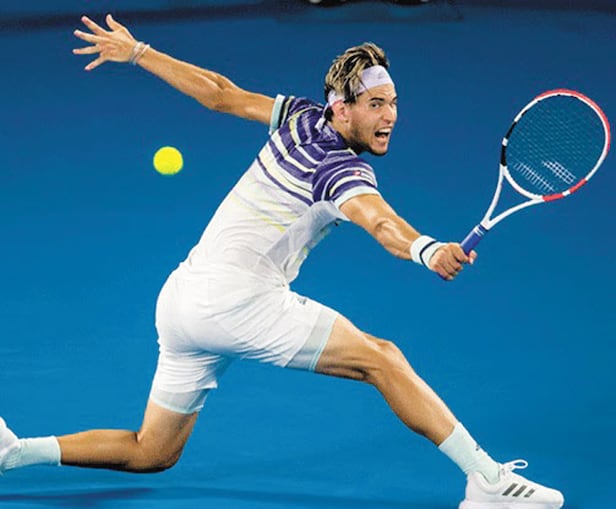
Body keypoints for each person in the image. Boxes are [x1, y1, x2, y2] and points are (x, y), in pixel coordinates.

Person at [0, 14, 564, 509]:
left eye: (393, 102)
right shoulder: (342, 170)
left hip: (181, 299)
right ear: (342, 108)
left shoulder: (299, 116)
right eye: (375, 104)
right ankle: (488, 481)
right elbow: (381, 222)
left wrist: (140, 52)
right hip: (236, 303)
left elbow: (220, 94)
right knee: (383, 360)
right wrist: (428, 249)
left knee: (153, 452)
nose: (390, 115)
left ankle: (14, 452)